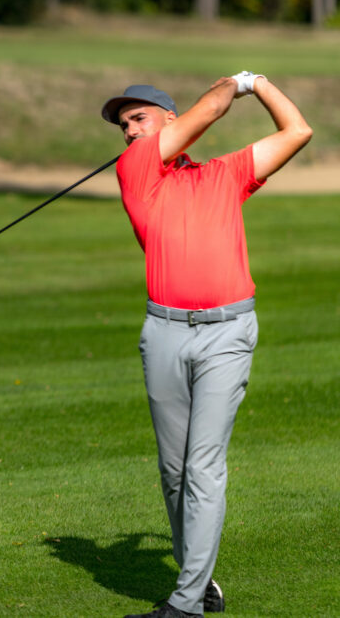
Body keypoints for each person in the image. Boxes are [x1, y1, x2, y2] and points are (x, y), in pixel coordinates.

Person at [102, 73, 312, 618]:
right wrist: (230, 84)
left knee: (202, 466)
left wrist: (257, 83)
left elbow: (297, 130)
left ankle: (187, 602)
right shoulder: (136, 170)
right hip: (164, 332)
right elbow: (211, 110)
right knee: (174, 473)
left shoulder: (226, 174)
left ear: (170, 120)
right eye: (124, 126)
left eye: (138, 119)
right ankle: (200, 581)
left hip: (228, 333)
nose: (128, 132)